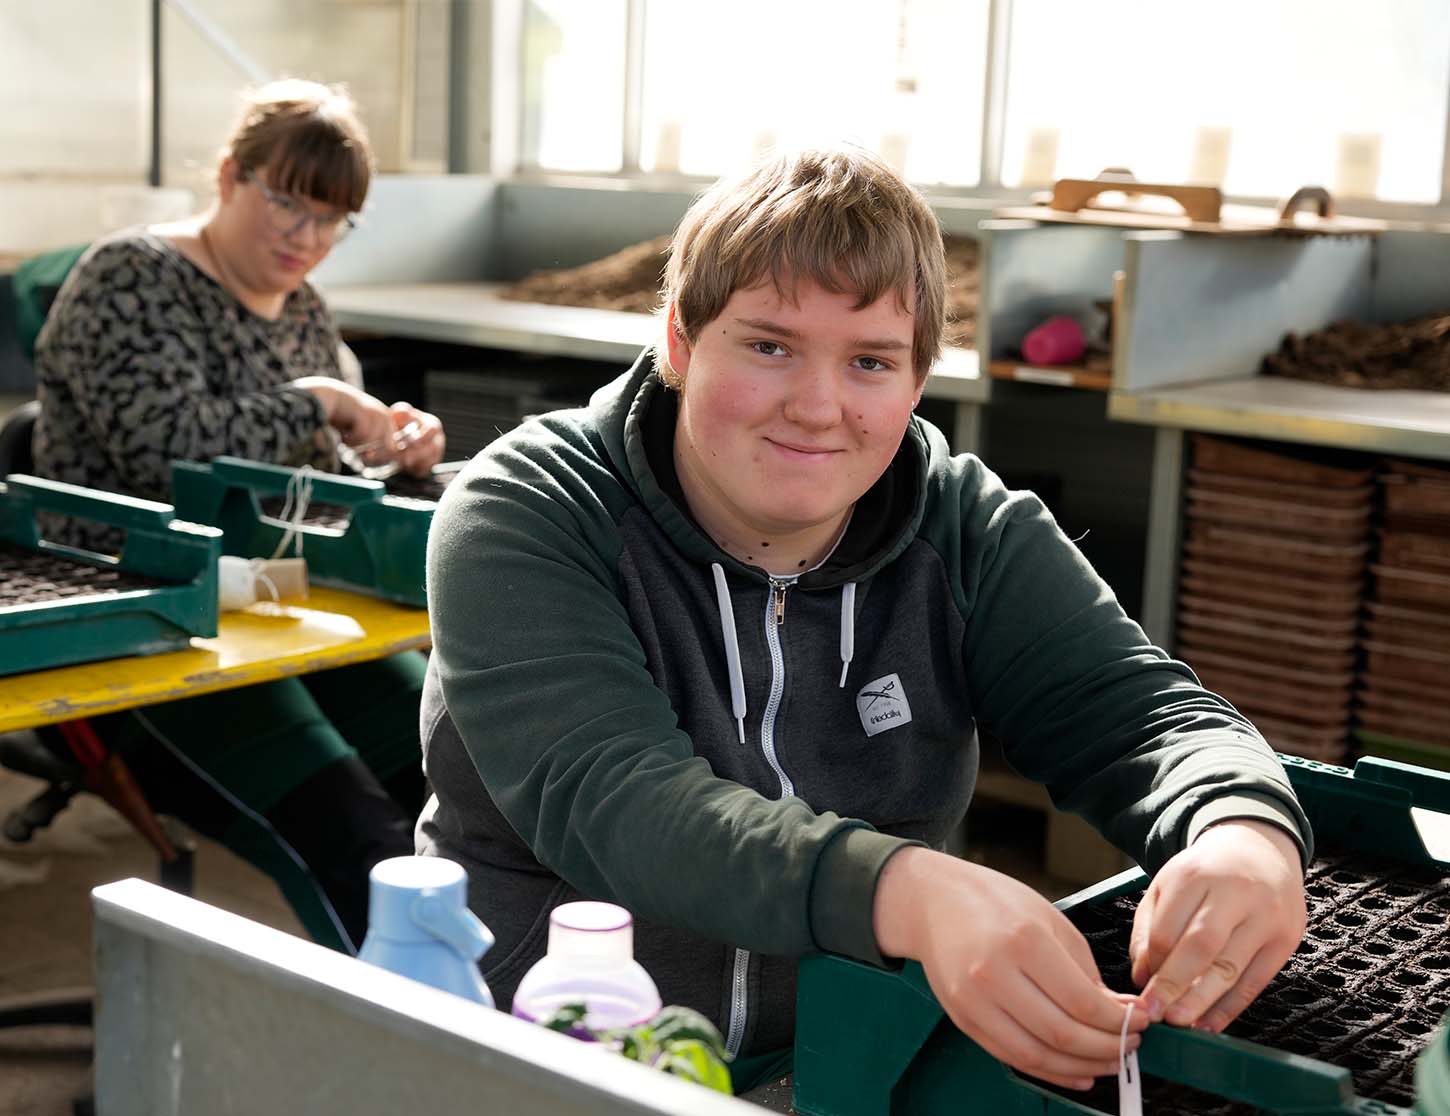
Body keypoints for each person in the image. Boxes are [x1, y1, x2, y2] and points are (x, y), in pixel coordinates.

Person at [418, 148, 1310, 1093]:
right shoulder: (530, 509)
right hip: (538, 1054)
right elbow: (617, 797)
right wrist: (905, 890)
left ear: (920, 381)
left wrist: (1241, 826)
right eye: (769, 345)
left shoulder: (965, 531)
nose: (817, 407)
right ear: (679, 342)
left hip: (854, 1063)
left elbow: (1140, 713)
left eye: (871, 362)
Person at [31, 79, 446, 951]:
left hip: (275, 606)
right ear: (229, 175)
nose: (307, 238)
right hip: (146, 629)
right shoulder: (129, 278)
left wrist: (389, 448)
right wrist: (322, 400)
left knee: (457, 779)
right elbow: (168, 451)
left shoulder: (303, 312)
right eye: (287, 203)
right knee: (357, 837)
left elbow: (322, 471)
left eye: (332, 220)